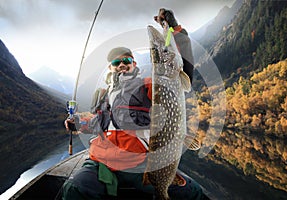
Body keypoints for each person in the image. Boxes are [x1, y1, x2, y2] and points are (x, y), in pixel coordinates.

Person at [62, 8, 203, 200]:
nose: (121, 64)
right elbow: (99, 122)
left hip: (139, 164)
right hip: (102, 162)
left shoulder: (149, 85)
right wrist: (77, 123)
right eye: (116, 62)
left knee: (191, 193)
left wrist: (175, 30)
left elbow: (181, 69)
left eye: (126, 60)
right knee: (73, 189)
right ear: (111, 68)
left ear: (134, 64)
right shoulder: (103, 95)